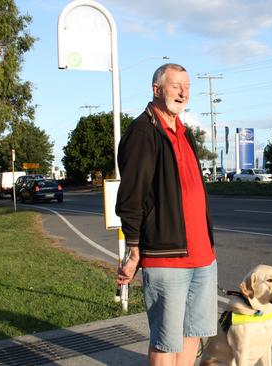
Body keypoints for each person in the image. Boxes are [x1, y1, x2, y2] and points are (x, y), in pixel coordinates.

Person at [116, 63, 217, 366]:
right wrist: (134, 250)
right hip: (167, 255)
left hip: (202, 255)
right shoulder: (143, 133)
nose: (183, 92)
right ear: (157, 89)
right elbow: (131, 197)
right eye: (176, 86)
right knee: (165, 339)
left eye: (187, 86)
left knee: (192, 334)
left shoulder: (184, 132)